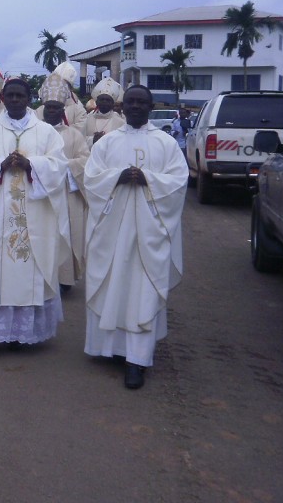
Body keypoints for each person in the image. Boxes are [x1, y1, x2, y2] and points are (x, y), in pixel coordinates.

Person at [0, 77, 70, 362]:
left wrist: (33, 164)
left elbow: (58, 166)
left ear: (29, 98)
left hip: (34, 216)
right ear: (3, 98)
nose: (15, 100)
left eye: (20, 95)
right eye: (11, 95)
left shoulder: (46, 133)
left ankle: (21, 333)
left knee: (27, 269)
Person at [82, 84, 188, 390]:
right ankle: (110, 348)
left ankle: (137, 360)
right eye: (131, 102)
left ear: (151, 106)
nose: (136, 107)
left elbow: (179, 182)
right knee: (113, 284)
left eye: (142, 102)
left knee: (142, 290)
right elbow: (91, 178)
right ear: (122, 106)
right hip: (113, 231)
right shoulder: (108, 143)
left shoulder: (166, 143)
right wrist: (116, 177)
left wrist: (148, 179)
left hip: (149, 233)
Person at [39, 80, 90, 293]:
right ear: (43, 109)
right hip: (39, 196)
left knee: (63, 235)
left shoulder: (74, 135)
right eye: (48, 107)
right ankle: (39, 279)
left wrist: (62, 167)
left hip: (65, 195)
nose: (52, 111)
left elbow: (85, 160)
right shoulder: (35, 132)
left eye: (56, 107)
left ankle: (63, 279)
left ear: (63, 109)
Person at [35, 65, 87, 132]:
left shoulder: (78, 109)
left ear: (70, 88)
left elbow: (79, 132)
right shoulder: (41, 110)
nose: (60, 86)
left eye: (65, 84)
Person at [83, 76, 125, 147]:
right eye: (102, 99)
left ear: (113, 104)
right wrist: (93, 140)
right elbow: (80, 140)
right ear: (96, 101)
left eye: (108, 100)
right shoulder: (88, 118)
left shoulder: (120, 122)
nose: (104, 102)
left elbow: (122, 144)